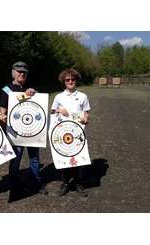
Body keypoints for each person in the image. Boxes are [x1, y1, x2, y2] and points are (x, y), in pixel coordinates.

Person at [0, 61, 48, 195]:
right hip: (16, 132)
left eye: (24, 72)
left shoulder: (29, 89)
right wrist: (2, 116)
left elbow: (39, 103)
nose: (21, 74)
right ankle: (14, 185)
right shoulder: (7, 90)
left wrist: (35, 93)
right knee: (16, 160)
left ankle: (36, 182)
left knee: (34, 158)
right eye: (19, 71)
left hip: (32, 130)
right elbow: (2, 111)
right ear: (13, 73)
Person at [51, 68, 90, 197]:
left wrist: (83, 119)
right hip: (62, 133)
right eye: (67, 79)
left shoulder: (83, 96)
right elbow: (52, 113)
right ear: (64, 81)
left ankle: (79, 183)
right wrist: (57, 111)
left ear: (76, 80)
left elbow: (86, 116)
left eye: (73, 79)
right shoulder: (58, 97)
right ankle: (65, 183)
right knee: (64, 159)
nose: (70, 81)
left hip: (78, 133)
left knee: (78, 159)